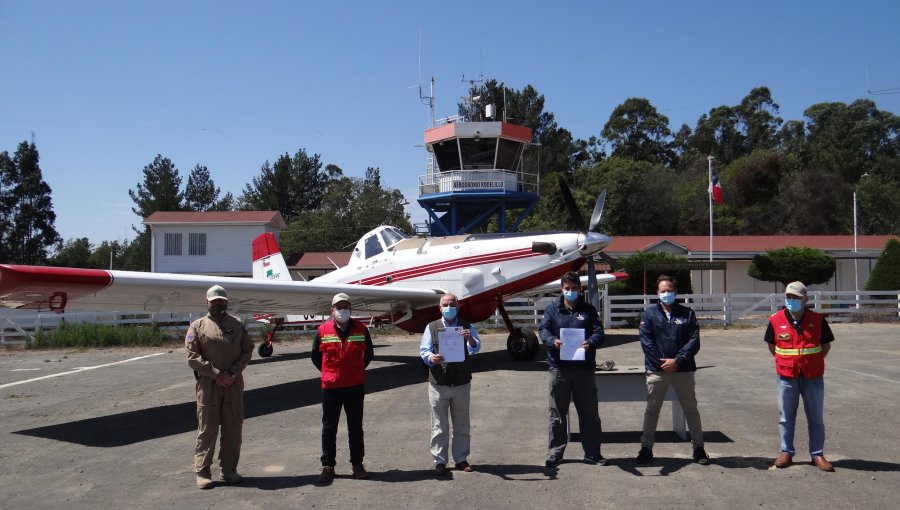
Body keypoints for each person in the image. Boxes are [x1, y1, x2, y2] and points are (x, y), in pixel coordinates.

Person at [635, 275, 709, 465]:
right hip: (656, 370)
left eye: (669, 290)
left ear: (675, 292)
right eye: (662, 291)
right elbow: (646, 342)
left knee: (690, 409)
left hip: (683, 370)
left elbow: (694, 341)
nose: (666, 294)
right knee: (652, 410)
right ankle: (646, 448)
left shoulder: (688, 314)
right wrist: (663, 363)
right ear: (657, 293)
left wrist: (677, 360)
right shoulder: (649, 314)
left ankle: (699, 448)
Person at [185, 285, 254, 489]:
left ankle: (229, 470)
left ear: (227, 302)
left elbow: (247, 350)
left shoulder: (238, 324)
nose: (218, 304)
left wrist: (232, 373)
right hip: (208, 384)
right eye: (214, 301)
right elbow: (192, 356)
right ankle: (203, 471)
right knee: (207, 428)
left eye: (221, 301)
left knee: (233, 427)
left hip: (233, 383)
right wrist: (216, 374)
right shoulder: (197, 326)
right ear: (207, 302)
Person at [765, 281, 836, 472]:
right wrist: (788, 361)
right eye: (788, 297)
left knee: (816, 418)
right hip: (787, 376)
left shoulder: (818, 320)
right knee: (786, 417)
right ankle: (786, 452)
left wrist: (812, 361)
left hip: (813, 377)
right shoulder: (775, 320)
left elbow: (826, 345)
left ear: (805, 299)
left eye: (795, 297)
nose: (791, 300)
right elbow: (772, 346)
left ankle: (817, 454)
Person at [538, 271, 607, 467]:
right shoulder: (552, 309)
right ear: (562, 289)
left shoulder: (589, 310)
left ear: (580, 289)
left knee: (589, 413)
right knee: (557, 413)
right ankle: (555, 453)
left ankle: (592, 453)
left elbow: (599, 332)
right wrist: (553, 341)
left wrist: (591, 342)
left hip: (584, 369)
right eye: (567, 289)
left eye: (573, 289)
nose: (570, 292)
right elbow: (543, 330)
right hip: (558, 368)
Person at [311, 292, 375, 483]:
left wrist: (354, 370)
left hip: (354, 386)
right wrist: (330, 372)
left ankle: (357, 464)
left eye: (346, 306)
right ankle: (328, 465)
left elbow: (369, 354)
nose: (342, 310)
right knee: (329, 427)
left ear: (351, 309)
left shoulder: (362, 329)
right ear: (332, 310)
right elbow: (316, 357)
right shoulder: (322, 331)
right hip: (331, 387)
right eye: (339, 307)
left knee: (356, 427)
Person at [419, 293, 481, 476]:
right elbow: (424, 350)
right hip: (439, 383)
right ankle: (440, 461)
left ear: (458, 306)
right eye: (445, 305)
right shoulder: (431, 327)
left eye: (452, 304)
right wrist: (431, 357)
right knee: (439, 424)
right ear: (439, 308)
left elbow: (475, 348)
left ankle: (461, 459)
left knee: (462, 423)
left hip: (461, 382)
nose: (448, 308)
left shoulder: (467, 326)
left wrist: (470, 339)